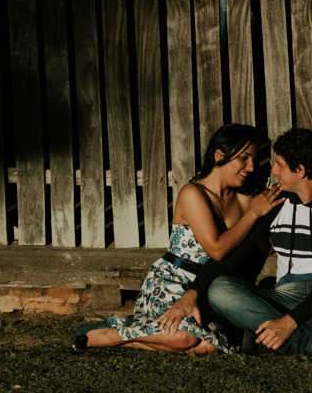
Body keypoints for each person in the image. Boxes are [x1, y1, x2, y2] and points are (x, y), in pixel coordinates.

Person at [157, 128, 312, 355]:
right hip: (284, 295)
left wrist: (289, 323)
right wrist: (192, 293)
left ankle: (270, 340)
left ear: (301, 170)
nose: (272, 171)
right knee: (220, 289)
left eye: (280, 165)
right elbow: (233, 257)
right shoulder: (276, 200)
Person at [71, 124, 282, 353]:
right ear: (219, 155)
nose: (251, 167)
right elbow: (217, 250)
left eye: (254, 159)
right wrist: (253, 214)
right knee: (184, 338)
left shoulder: (244, 199)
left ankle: (129, 335)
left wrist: (266, 212)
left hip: (209, 288)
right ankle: (103, 334)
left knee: (208, 346)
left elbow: (261, 248)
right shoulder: (193, 193)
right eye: (244, 158)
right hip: (173, 281)